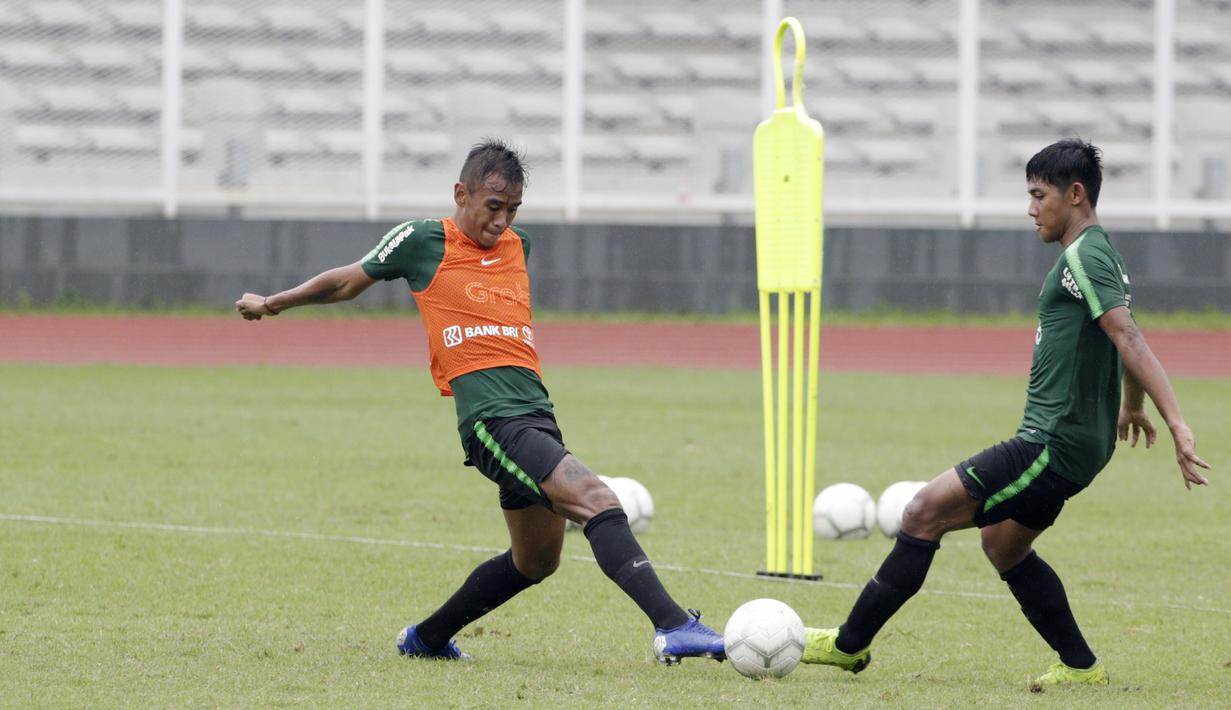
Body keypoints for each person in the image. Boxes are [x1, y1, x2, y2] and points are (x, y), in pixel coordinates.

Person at [235, 139, 725, 665]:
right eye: (493, 207)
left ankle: (426, 639)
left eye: (512, 210)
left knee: (536, 560)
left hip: (537, 415)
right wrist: (275, 302)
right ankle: (673, 625)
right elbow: (347, 282)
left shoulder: (520, 246)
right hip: (492, 422)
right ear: (460, 193)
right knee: (597, 501)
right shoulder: (423, 240)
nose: (502, 222)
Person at [799, 139, 1211, 690]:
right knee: (1004, 543)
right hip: (1073, 443)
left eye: (1039, 195)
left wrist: (1178, 423)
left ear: (1076, 194)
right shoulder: (1103, 254)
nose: (1031, 208)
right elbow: (1124, 333)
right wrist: (1131, 405)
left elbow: (1127, 335)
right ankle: (1081, 668)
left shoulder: (1084, 256)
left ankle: (848, 647)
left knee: (922, 513)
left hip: (1050, 441)